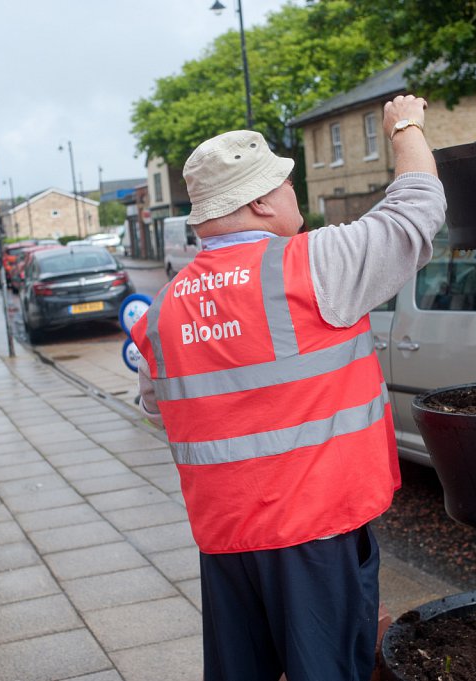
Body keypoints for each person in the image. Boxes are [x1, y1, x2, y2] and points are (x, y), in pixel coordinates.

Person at [129, 95, 445, 681]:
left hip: (225, 544)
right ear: (260, 201)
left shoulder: (163, 310)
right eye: (284, 181)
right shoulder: (314, 265)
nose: (292, 192)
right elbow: (416, 213)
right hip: (315, 537)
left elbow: (158, 407)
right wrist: (405, 127)